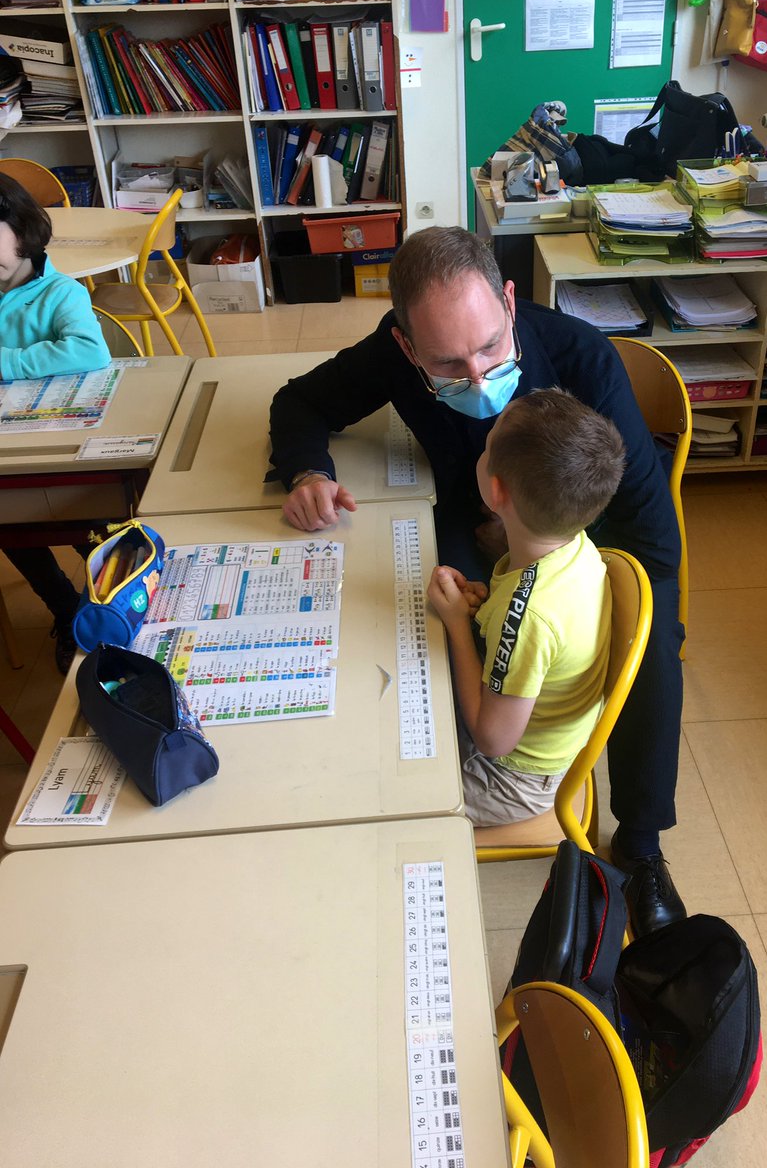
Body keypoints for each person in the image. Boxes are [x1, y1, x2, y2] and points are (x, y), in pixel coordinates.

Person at [268, 225, 687, 937]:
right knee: (427, 624)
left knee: (648, 651)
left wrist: (633, 624)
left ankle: (643, 844)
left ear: (510, 301)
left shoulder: (584, 358)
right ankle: (428, 754)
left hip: (583, 533)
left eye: (490, 346)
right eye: (447, 362)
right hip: (476, 518)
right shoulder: (395, 353)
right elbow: (298, 403)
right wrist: (311, 472)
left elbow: (648, 532)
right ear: (406, 345)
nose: (475, 375)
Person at [427, 388, 625, 825]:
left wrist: (459, 625)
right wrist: (482, 608)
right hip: (545, 741)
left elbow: (493, 739)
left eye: (486, 446)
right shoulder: (576, 548)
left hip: (511, 779)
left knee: (394, 784)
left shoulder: (529, 615)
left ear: (496, 491)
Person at [0, 171, 110, 673]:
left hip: (64, 444)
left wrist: (7, 362)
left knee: (87, 526)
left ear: (22, 232)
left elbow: (90, 350)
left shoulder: (59, 293)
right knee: (11, 526)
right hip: (8, 453)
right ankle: (66, 611)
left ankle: (105, 606)